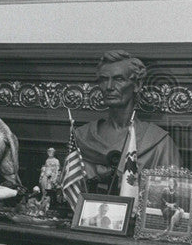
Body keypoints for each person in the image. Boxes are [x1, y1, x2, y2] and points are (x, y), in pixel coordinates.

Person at [74, 50, 181, 195]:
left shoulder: (158, 143)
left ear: (136, 85)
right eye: (104, 79)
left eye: (119, 79)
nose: (109, 87)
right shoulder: (83, 136)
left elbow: (172, 194)